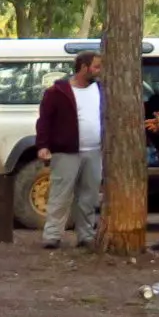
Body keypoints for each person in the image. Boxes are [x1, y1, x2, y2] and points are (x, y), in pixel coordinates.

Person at [34, 50, 104, 250]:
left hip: (94, 151)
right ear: (83, 67)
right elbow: (44, 121)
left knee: (89, 197)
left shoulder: (100, 90)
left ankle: (85, 235)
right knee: (60, 194)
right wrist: (43, 145)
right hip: (66, 152)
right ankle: (52, 235)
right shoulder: (57, 92)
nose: (99, 71)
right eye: (96, 66)